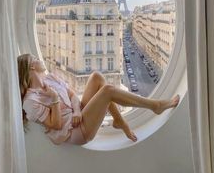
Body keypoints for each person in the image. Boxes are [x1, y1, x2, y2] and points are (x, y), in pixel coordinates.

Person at [17, 53, 180, 146]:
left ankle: (119, 121)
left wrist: (78, 110)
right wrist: (53, 99)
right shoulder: (30, 101)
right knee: (108, 91)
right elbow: (57, 125)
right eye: (35, 59)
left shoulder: (50, 78)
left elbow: (73, 95)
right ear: (31, 66)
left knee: (96, 77)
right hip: (75, 131)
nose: (39, 59)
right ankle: (155, 106)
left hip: (79, 116)